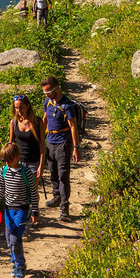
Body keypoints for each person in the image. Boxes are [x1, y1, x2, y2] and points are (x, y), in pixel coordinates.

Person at [0, 141, 39, 278]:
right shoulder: (4, 171)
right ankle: (15, 260)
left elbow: (33, 193)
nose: (7, 163)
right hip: (8, 210)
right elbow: (0, 189)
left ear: (17, 157)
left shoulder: (26, 172)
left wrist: (35, 211)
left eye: (9, 160)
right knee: (8, 238)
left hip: (21, 210)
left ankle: (20, 265)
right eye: (4, 160)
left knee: (15, 238)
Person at [40, 74, 82, 221]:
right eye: (45, 92)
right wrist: (40, 138)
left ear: (56, 89)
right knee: (52, 171)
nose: (46, 95)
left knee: (63, 174)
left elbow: (73, 126)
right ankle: (56, 197)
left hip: (63, 142)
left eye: (48, 92)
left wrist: (76, 147)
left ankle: (64, 208)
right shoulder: (48, 102)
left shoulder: (67, 105)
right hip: (50, 141)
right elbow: (45, 119)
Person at [5, 94, 45, 183]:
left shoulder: (37, 122)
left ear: (28, 106)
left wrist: (41, 165)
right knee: (20, 189)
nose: (19, 111)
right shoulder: (14, 123)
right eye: (16, 108)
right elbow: (10, 144)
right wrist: (8, 161)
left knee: (33, 190)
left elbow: (42, 144)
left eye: (21, 107)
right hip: (18, 162)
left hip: (34, 162)